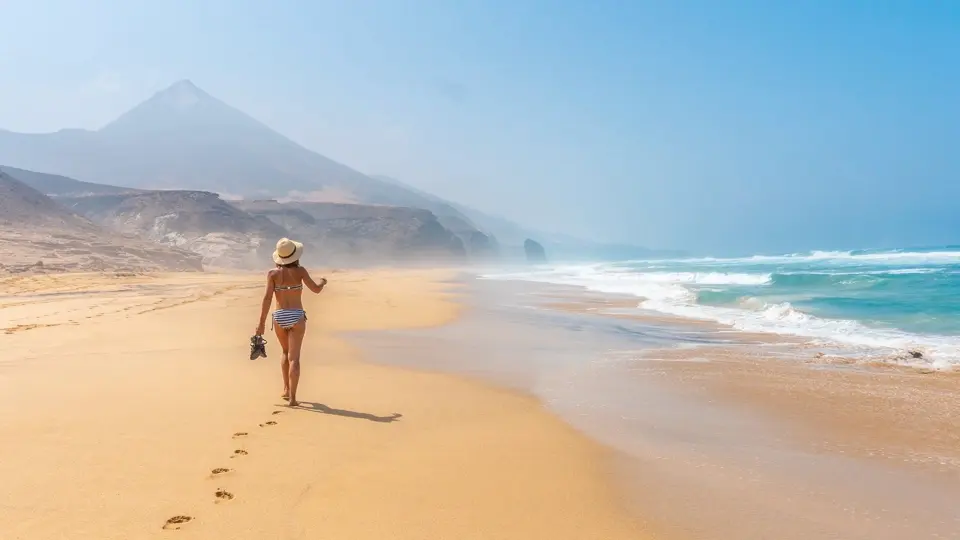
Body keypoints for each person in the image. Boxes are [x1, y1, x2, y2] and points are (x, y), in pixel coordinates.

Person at [255, 238, 327, 407]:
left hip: (279, 316)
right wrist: (322, 283)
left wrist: (261, 323)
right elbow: (315, 290)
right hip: (296, 315)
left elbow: (267, 299)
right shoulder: (300, 271)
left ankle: (286, 390)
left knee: (285, 353)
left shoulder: (272, 274)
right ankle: (293, 399)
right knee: (294, 358)